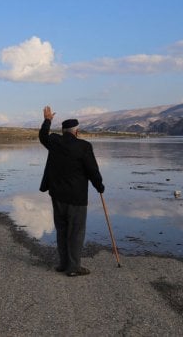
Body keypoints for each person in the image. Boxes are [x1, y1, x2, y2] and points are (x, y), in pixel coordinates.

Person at [39, 105, 105, 277]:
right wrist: (99, 186)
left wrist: (47, 120)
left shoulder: (54, 141)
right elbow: (92, 171)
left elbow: (42, 136)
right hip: (76, 197)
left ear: (63, 131)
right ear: (77, 131)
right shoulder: (84, 146)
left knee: (62, 230)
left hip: (57, 195)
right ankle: (74, 267)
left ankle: (63, 264)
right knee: (75, 232)